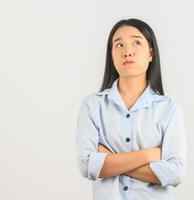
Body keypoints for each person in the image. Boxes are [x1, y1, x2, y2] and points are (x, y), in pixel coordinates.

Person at [75, 18, 187, 200]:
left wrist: (109, 161)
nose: (127, 51)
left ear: (151, 53)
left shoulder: (168, 109)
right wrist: (149, 155)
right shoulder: (92, 105)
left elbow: (175, 173)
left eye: (136, 42)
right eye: (119, 45)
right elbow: (87, 165)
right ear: (111, 54)